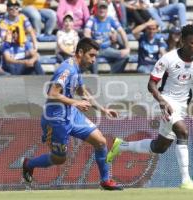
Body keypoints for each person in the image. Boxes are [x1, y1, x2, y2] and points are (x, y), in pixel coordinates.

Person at [106, 24, 193, 190]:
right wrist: (162, 102)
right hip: (167, 102)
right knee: (183, 131)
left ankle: (121, 146)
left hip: (183, 104)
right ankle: (186, 181)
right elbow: (151, 84)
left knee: (160, 147)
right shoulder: (168, 59)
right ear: (183, 41)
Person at [22, 38, 123, 190]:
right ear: (80, 52)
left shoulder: (77, 68)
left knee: (101, 141)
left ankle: (105, 180)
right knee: (59, 158)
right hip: (56, 121)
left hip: (72, 115)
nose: (93, 60)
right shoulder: (66, 69)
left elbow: (82, 91)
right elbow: (52, 93)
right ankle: (29, 164)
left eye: (95, 56)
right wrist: (75, 102)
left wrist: (103, 109)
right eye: (91, 55)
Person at [84, 0, 130, 74]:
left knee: (125, 56)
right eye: (100, 8)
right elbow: (86, 33)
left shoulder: (110, 19)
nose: (102, 10)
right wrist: (93, 43)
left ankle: (111, 75)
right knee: (91, 58)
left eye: (104, 8)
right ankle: (95, 79)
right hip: (95, 49)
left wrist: (127, 48)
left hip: (107, 48)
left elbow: (122, 31)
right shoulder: (92, 19)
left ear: (107, 9)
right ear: (96, 9)